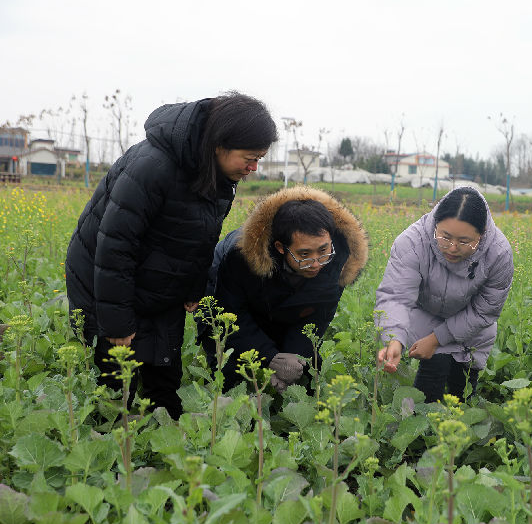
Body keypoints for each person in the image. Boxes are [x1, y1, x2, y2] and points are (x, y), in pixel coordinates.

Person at [65, 92, 277, 419]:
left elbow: (200, 238)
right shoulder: (152, 166)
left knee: (163, 379)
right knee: (116, 388)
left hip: (160, 284)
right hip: (104, 283)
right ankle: (107, 452)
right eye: (249, 157)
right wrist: (117, 323)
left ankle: (167, 444)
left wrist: (194, 286)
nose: (253, 168)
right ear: (219, 144)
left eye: (259, 159)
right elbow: (114, 249)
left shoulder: (218, 175)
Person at [202, 186, 368, 390]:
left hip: (286, 307)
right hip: (231, 300)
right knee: (231, 376)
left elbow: (317, 316)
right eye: (304, 254)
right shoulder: (241, 257)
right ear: (281, 248)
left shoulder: (338, 258)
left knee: (306, 376)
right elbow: (232, 313)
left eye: (323, 250)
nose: (316, 263)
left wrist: (293, 357)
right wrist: (270, 356)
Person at [375, 186, 513, 402]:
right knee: (429, 388)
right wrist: (393, 338)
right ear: (435, 224)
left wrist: (437, 338)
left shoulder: (499, 253)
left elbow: (485, 310)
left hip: (471, 327)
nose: (452, 248)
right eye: (445, 237)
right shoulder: (413, 241)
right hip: (426, 315)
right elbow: (396, 295)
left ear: (483, 233)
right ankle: (423, 431)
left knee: (461, 393)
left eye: (465, 241)